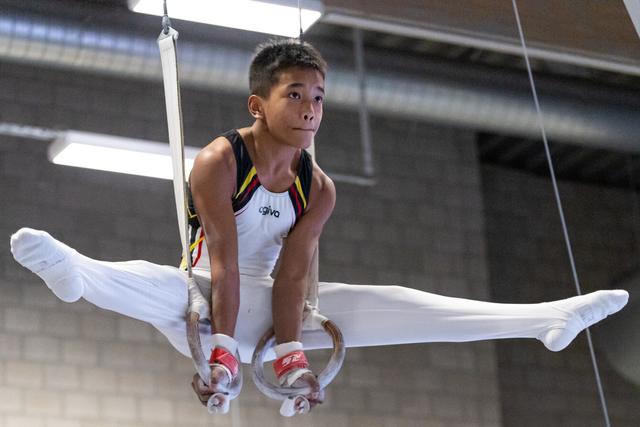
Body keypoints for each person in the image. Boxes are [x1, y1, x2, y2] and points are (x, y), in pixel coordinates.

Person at [9, 39, 629, 414]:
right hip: (205, 300)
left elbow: (294, 276)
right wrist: (223, 355)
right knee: (158, 285)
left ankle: (544, 317)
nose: (311, 109)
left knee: (393, 305)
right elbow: (223, 262)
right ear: (259, 105)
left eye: (320, 97)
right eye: (295, 95)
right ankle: (80, 275)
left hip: (282, 309)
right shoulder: (221, 161)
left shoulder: (318, 187)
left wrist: (290, 353)